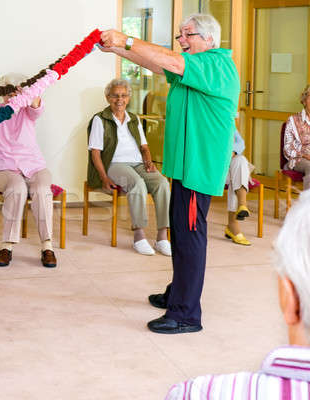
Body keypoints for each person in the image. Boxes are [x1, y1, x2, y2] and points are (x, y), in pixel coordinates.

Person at [100, 13, 240, 334]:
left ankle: (186, 313)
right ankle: (178, 293)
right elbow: (159, 65)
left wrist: (126, 39)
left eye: (186, 34)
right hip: (185, 170)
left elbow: (171, 61)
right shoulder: (196, 68)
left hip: (197, 172)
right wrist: (118, 51)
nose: (180, 40)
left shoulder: (216, 64)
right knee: (180, 232)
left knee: (189, 237)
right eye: (180, 35)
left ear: (208, 39)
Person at [165, 190, 310, 399]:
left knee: (190, 230)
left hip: (196, 176)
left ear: (289, 299)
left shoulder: (196, 393)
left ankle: (184, 311)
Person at [0, 73, 57, 268]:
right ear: (2, 93)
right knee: (17, 187)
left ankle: (47, 246)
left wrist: (29, 93)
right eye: (7, 91)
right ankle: (7, 246)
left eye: (14, 91)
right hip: (1, 170)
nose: (10, 96)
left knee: (42, 190)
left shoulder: (28, 110)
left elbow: (37, 107)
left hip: (34, 166)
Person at [87, 79, 171, 256]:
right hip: (114, 164)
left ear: (129, 98)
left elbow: (144, 147)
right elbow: (95, 153)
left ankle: (162, 237)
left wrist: (148, 162)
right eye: (115, 96)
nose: (120, 100)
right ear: (108, 97)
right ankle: (139, 236)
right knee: (137, 184)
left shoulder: (134, 119)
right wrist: (104, 178)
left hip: (138, 163)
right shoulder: (99, 119)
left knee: (162, 183)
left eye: (124, 95)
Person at [224, 129, 253, 246]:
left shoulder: (228, 121)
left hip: (228, 170)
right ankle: (233, 224)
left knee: (240, 161)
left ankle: (242, 205)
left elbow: (241, 143)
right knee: (236, 174)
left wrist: (232, 152)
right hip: (209, 169)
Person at [283, 84, 310, 190]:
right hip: (299, 159)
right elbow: (287, 149)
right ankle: (307, 204)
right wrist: (305, 155)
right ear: (304, 100)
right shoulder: (293, 120)